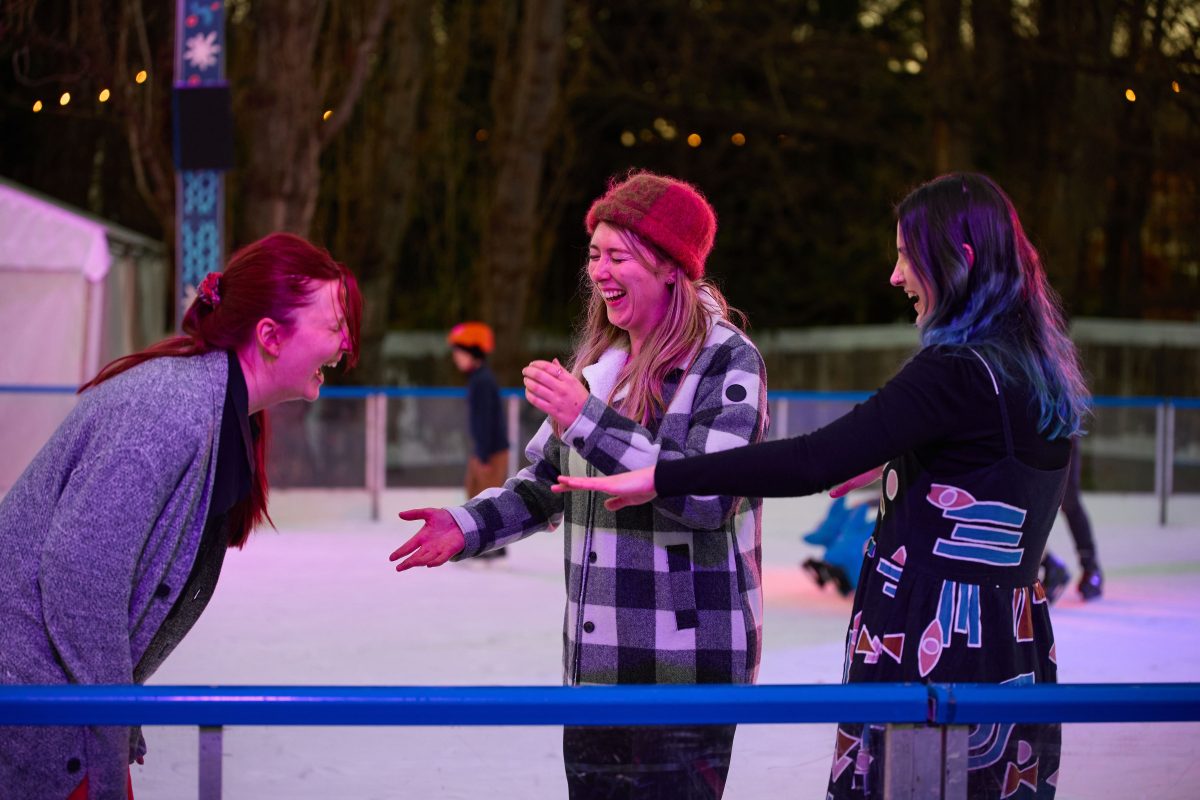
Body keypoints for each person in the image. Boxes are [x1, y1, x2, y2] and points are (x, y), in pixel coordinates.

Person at [556, 173, 1089, 799]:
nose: (896, 276)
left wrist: (665, 474)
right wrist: (905, 459)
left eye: (906, 256)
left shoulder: (955, 370)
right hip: (1008, 635)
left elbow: (812, 461)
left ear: (961, 261)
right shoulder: (1032, 364)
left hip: (931, 641)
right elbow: (996, 466)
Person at [389, 171, 769, 799]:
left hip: (686, 674)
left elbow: (710, 495)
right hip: (596, 669)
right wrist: (465, 526)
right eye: (595, 254)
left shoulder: (728, 361)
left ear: (672, 267)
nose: (600, 271)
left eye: (618, 255)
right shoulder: (602, 366)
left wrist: (586, 418)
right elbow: (543, 483)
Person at [0, 233, 361, 800]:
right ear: (270, 336)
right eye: (335, 325)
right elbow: (78, 581)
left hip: (56, 711)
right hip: (32, 711)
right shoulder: (169, 413)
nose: (345, 345)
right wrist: (108, 735)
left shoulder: (217, 408)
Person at [447, 321, 511, 560]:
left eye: (458, 353)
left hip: (490, 451)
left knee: (486, 497)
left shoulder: (482, 381)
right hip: (485, 449)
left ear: (472, 352)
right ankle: (486, 542)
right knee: (475, 492)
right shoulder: (478, 379)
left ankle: (493, 544)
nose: (456, 358)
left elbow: (485, 420)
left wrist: (483, 455)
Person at [1040, 438, 1103, 602]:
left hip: (1058, 424)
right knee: (1026, 500)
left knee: (1068, 499)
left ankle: (1090, 566)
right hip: (1027, 425)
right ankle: (1049, 563)